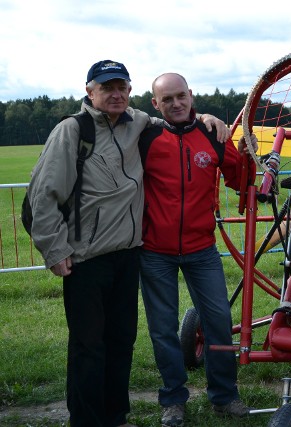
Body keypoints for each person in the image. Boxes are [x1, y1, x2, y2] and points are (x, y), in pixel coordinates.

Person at [27, 60, 227, 427]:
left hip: (129, 254)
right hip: (86, 258)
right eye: (107, 88)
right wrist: (54, 250)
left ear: (131, 93)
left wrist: (210, 118)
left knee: (121, 341)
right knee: (89, 345)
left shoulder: (138, 123)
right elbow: (42, 196)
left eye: (122, 87)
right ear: (90, 92)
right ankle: (88, 421)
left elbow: (178, 118)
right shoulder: (73, 130)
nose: (116, 94)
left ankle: (116, 416)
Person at [137, 73, 257, 427]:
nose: (176, 103)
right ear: (155, 104)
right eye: (167, 99)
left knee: (219, 321)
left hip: (202, 249)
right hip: (154, 251)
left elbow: (240, 178)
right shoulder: (145, 137)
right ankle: (173, 400)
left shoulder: (212, 134)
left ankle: (224, 396)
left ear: (191, 96)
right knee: (162, 328)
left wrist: (248, 154)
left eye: (181, 96)